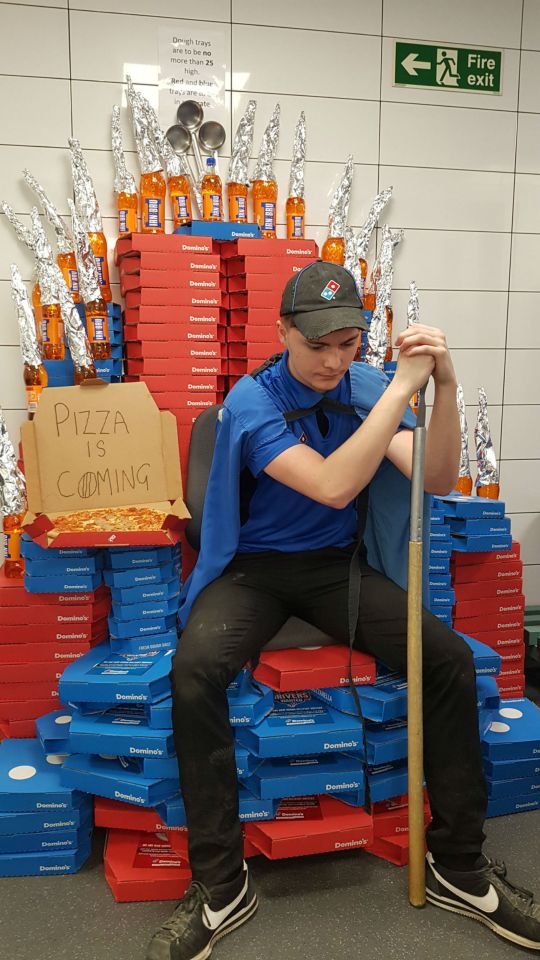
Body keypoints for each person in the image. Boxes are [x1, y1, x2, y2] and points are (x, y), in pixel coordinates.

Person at [147, 261, 540, 960]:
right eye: (318, 344)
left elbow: (441, 475)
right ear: (283, 333)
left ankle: (460, 867)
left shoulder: (363, 386)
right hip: (254, 570)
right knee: (195, 670)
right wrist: (395, 390)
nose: (333, 361)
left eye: (349, 344)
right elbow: (330, 485)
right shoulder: (251, 400)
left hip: (336, 569)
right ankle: (220, 884)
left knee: (446, 660)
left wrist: (442, 387)